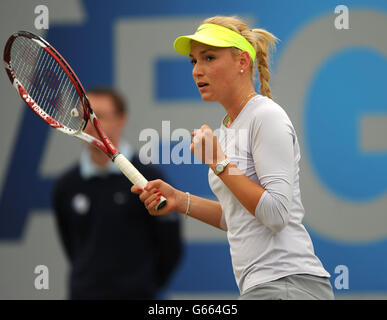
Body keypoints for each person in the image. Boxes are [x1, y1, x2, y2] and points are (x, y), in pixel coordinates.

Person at [131, 16, 334, 300]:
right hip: (268, 286)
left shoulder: (265, 115)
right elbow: (241, 218)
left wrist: (219, 163)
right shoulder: (227, 129)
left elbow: (274, 214)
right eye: (193, 61)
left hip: (286, 283)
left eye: (209, 58)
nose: (197, 71)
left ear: (242, 62)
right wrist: (180, 200)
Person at [52, 87, 182, 300]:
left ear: (121, 120)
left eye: (99, 116)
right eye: (84, 117)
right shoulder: (66, 186)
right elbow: (72, 246)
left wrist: (142, 285)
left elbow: (170, 247)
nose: (90, 124)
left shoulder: (150, 178)